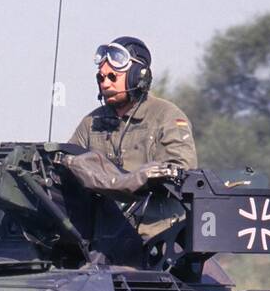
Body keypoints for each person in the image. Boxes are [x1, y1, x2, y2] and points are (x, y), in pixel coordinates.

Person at [64, 36, 197, 245]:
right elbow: (69, 162)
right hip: (103, 238)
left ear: (138, 77)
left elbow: (182, 170)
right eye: (101, 78)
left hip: (157, 238)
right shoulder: (92, 123)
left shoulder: (165, 116)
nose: (105, 84)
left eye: (112, 77)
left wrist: (143, 178)